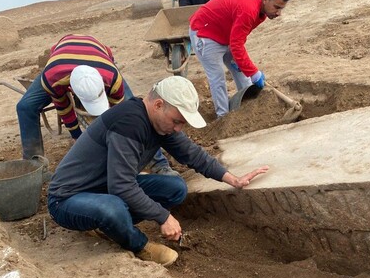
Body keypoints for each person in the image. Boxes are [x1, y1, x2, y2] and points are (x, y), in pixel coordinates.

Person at [47, 76, 268, 266]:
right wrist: (163, 217)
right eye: (177, 121)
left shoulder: (160, 123)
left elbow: (192, 154)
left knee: (175, 188)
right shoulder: (129, 124)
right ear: (158, 104)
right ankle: (139, 245)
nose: (178, 129)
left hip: (104, 189)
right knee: (113, 208)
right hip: (68, 199)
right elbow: (121, 186)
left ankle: (110, 226)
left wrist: (232, 179)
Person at [16, 33, 175, 175]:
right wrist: (77, 136)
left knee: (136, 110)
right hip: (61, 61)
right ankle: (35, 169)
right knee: (24, 107)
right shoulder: (52, 78)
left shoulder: (112, 77)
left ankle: (159, 163)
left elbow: (121, 113)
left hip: (100, 56)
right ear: (71, 88)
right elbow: (64, 108)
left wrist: (117, 143)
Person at [189, 0, 291, 118]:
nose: (279, 13)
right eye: (277, 7)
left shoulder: (261, 10)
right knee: (217, 77)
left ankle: (248, 109)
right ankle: (223, 118)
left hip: (225, 35)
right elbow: (237, 45)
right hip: (204, 32)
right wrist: (254, 72)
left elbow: (238, 40)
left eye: (281, 8)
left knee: (243, 74)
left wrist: (245, 67)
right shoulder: (249, 9)